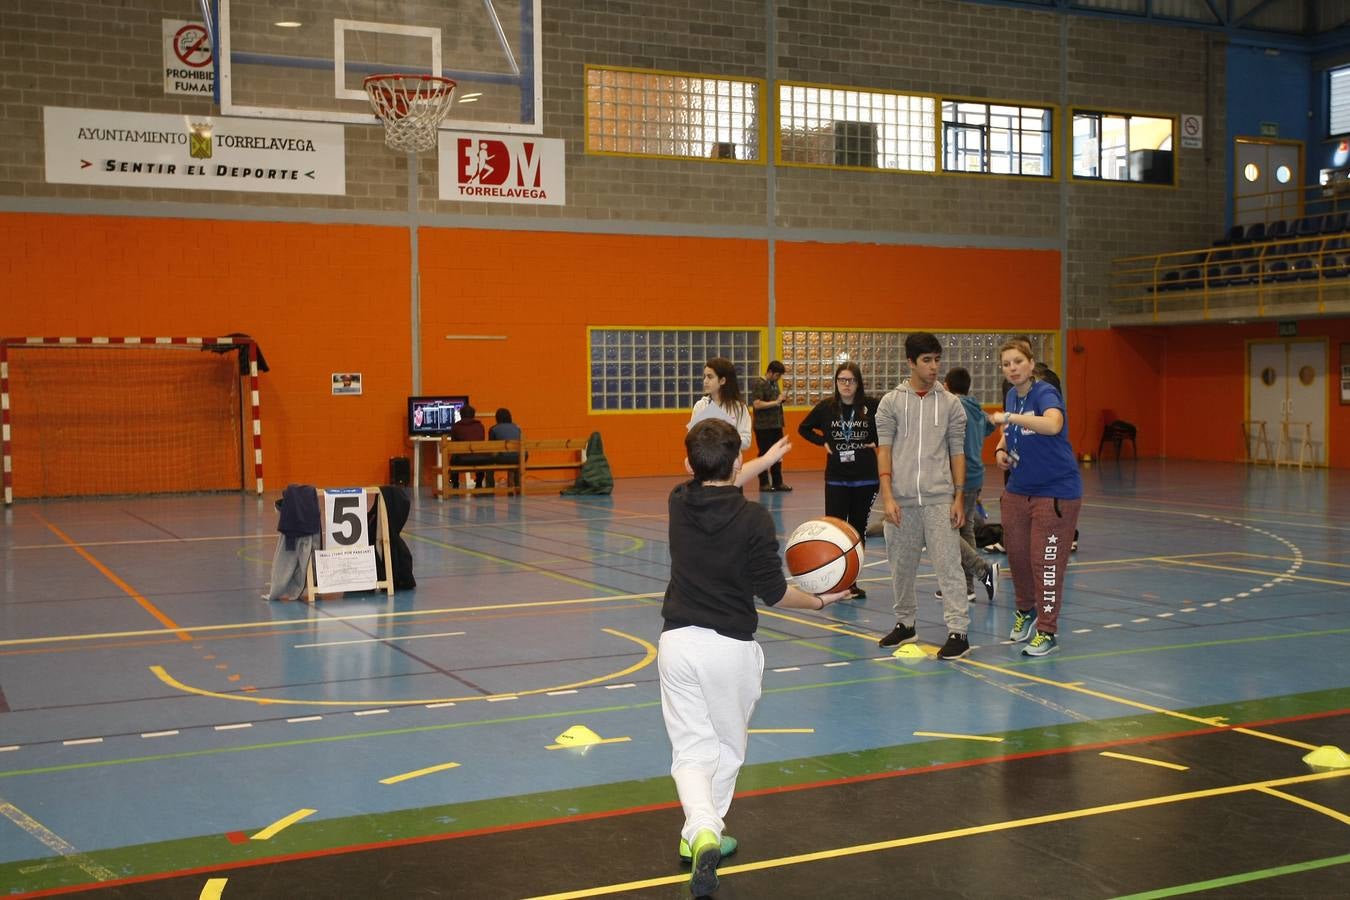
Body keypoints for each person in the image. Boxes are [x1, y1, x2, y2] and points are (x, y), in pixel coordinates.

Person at [660, 419, 847, 896]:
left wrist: (756, 462)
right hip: (729, 649)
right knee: (726, 748)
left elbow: (713, 486)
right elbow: (776, 594)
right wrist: (821, 602)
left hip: (677, 643)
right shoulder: (756, 521)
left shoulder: (678, 502)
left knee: (690, 750)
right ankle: (707, 829)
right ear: (738, 463)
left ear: (688, 464)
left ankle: (699, 832)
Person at [874, 332, 974, 661]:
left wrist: (959, 497)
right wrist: (887, 496)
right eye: (927, 360)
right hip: (901, 500)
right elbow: (884, 451)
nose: (934, 367)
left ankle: (959, 632)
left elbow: (957, 453)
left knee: (949, 566)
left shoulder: (951, 404)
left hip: (939, 499)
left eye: (937, 359)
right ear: (911, 363)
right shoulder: (890, 403)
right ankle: (906, 624)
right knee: (900, 567)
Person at [992, 338, 1083, 657]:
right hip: (1019, 490)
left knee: (1045, 562)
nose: (1013, 368)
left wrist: (1010, 419)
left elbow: (1052, 424)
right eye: (1006, 364)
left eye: (1018, 361)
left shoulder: (1044, 392)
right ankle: (1026, 611)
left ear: (1031, 364)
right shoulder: (1011, 397)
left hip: (1055, 492)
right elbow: (1010, 432)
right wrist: (1001, 447)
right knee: (1016, 559)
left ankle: (1047, 630)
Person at [797, 361, 878, 600]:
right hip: (836, 479)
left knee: (857, 531)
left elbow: (890, 426)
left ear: (858, 383)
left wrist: (878, 440)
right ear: (836, 383)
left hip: (865, 477)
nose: (845, 384)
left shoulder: (871, 406)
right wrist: (821, 442)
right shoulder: (826, 408)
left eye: (850, 380)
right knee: (834, 531)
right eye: (841, 380)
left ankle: (851, 581)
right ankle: (833, 580)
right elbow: (804, 428)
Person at [937, 367, 998, 604]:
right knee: (966, 528)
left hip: (957, 477)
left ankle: (972, 579)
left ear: (947, 385)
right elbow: (990, 426)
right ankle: (964, 585)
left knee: (946, 530)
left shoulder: (952, 407)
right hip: (976, 476)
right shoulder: (975, 408)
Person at [688, 357, 752, 451]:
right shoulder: (700, 406)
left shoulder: (739, 408)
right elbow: (691, 437)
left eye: (710, 377)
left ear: (722, 381)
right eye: (704, 376)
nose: (705, 381)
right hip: (705, 462)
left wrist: (723, 440)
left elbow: (746, 441)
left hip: (731, 463)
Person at [751, 360, 791, 492]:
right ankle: (764, 483)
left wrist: (781, 400)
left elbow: (776, 401)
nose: (778, 378)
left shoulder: (774, 384)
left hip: (776, 424)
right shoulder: (759, 383)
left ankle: (778, 482)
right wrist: (776, 402)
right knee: (764, 453)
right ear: (769, 372)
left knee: (778, 454)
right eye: (777, 375)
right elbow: (757, 404)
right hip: (763, 426)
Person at [448, 403, 488, 489]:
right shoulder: (480, 426)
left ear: (461, 415)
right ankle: (479, 483)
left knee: (453, 459)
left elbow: (453, 445)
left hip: (462, 460)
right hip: (480, 460)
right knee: (479, 456)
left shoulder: (456, 426)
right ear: (473, 415)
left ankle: (455, 484)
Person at [489, 407, 522, 487]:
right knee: (515, 459)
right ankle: (518, 487)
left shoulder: (494, 429)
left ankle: (489, 489)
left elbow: (491, 447)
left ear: (497, 418)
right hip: (520, 457)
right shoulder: (517, 427)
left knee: (488, 462)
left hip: (504, 458)